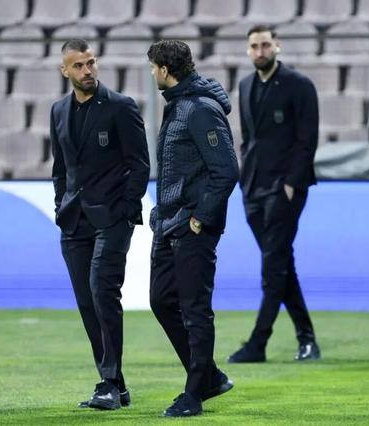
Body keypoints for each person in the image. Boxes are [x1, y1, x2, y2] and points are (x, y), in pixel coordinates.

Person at [50, 39, 150, 409]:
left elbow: (140, 163)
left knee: (102, 292)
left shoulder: (121, 106)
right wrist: (60, 204)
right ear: (65, 70)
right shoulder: (58, 110)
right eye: (78, 65)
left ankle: (107, 382)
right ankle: (116, 386)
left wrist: (126, 208)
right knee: (87, 302)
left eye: (91, 62)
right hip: (74, 221)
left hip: (113, 218)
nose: (87, 70)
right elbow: (60, 167)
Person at [147, 40, 238, 417]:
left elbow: (226, 171)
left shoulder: (200, 109)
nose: (152, 74)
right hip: (170, 222)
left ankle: (194, 393)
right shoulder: (179, 104)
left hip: (190, 225)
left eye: (153, 68)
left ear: (165, 70)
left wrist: (199, 217)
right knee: (161, 300)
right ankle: (209, 377)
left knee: (195, 309)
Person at [227, 25, 320, 364]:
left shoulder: (299, 85)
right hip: (253, 187)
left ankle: (258, 342)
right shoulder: (245, 85)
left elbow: (307, 139)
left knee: (273, 265)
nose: (260, 51)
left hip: (285, 189)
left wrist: (291, 183)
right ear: (248, 50)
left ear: (277, 46)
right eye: (254, 46)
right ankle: (307, 339)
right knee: (280, 263)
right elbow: (247, 139)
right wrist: (244, 179)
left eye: (265, 44)